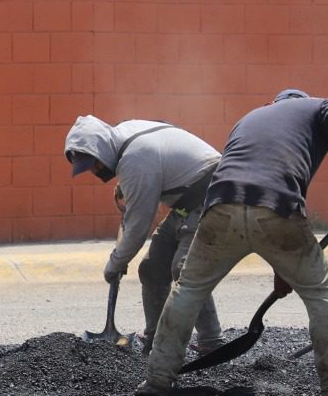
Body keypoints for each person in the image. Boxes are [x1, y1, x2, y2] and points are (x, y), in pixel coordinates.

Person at [134, 89, 328, 396]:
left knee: (188, 289)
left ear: (274, 104)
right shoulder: (317, 108)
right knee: (321, 294)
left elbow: (253, 184)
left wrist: (283, 271)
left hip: (220, 205)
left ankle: (157, 381)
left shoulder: (251, 118)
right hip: (276, 207)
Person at [63, 116, 223, 353]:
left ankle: (212, 343)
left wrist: (116, 263)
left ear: (102, 150)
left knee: (185, 269)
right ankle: (156, 340)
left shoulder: (134, 159)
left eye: (94, 164)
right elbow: (158, 164)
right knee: (152, 269)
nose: (95, 171)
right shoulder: (125, 137)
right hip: (185, 204)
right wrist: (127, 186)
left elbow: (138, 226)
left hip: (211, 198)